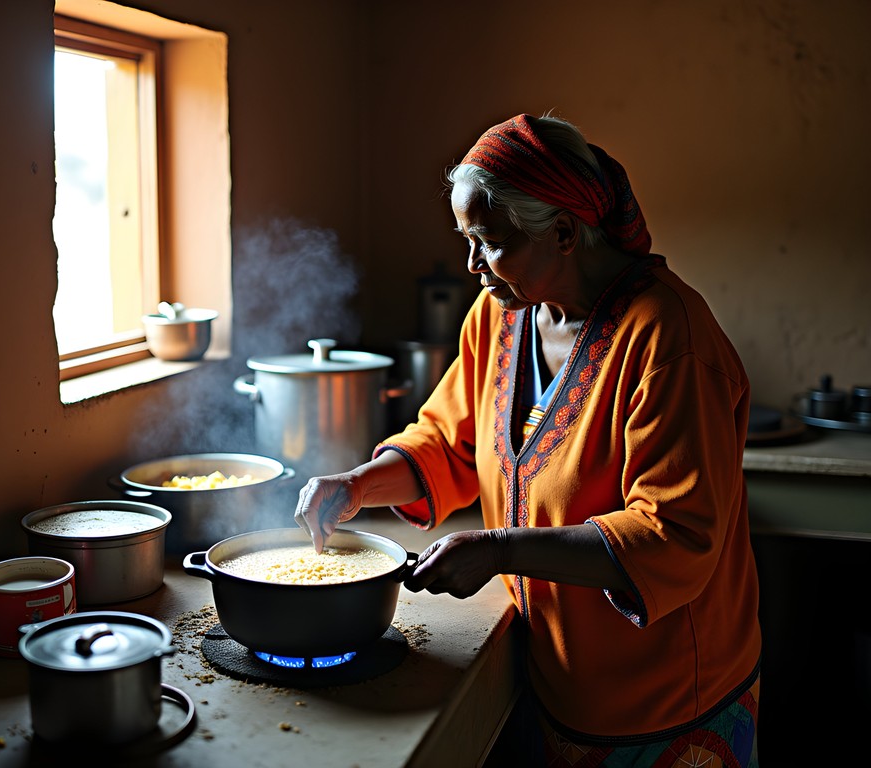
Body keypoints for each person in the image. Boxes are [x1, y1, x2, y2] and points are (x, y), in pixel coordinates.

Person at [295, 113, 761, 766]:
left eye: (487, 241)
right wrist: (358, 486)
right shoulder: (502, 314)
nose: (471, 265)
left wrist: (498, 550)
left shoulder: (668, 338)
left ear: (565, 232)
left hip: (663, 701)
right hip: (550, 673)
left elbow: (673, 535)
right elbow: (451, 442)